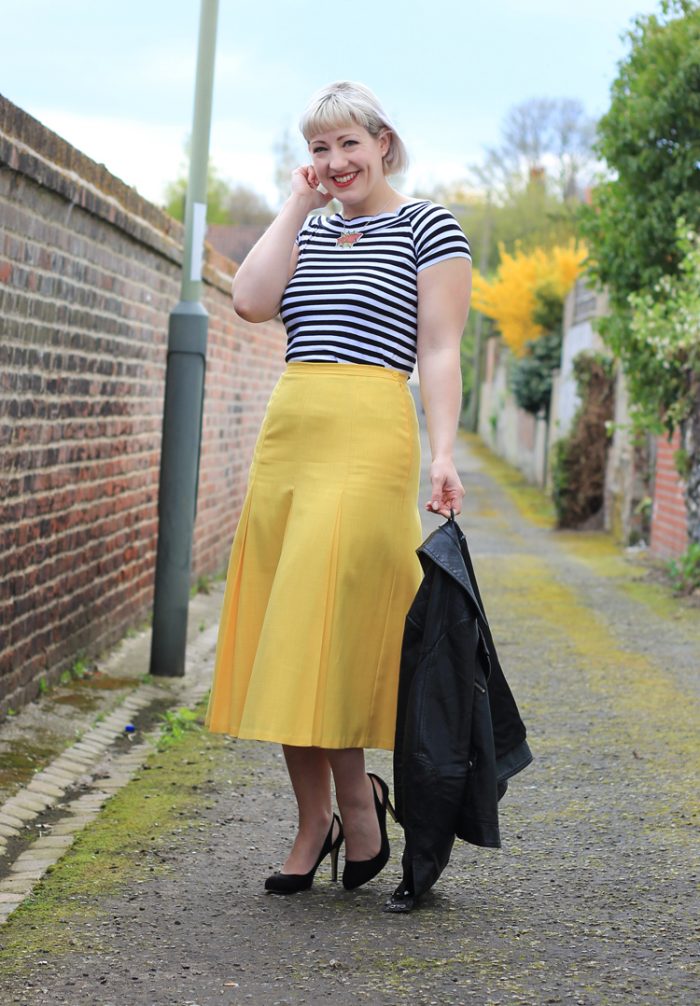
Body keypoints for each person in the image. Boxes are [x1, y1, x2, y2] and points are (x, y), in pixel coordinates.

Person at [206, 80, 472, 896]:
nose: (336, 161)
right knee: (289, 628)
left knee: (340, 625)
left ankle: (358, 807)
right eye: (320, 149)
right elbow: (250, 301)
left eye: (348, 144)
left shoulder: (429, 225)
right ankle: (314, 821)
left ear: (383, 142)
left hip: (368, 435)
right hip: (292, 436)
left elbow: (438, 349)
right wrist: (293, 205)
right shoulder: (308, 231)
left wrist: (443, 452)